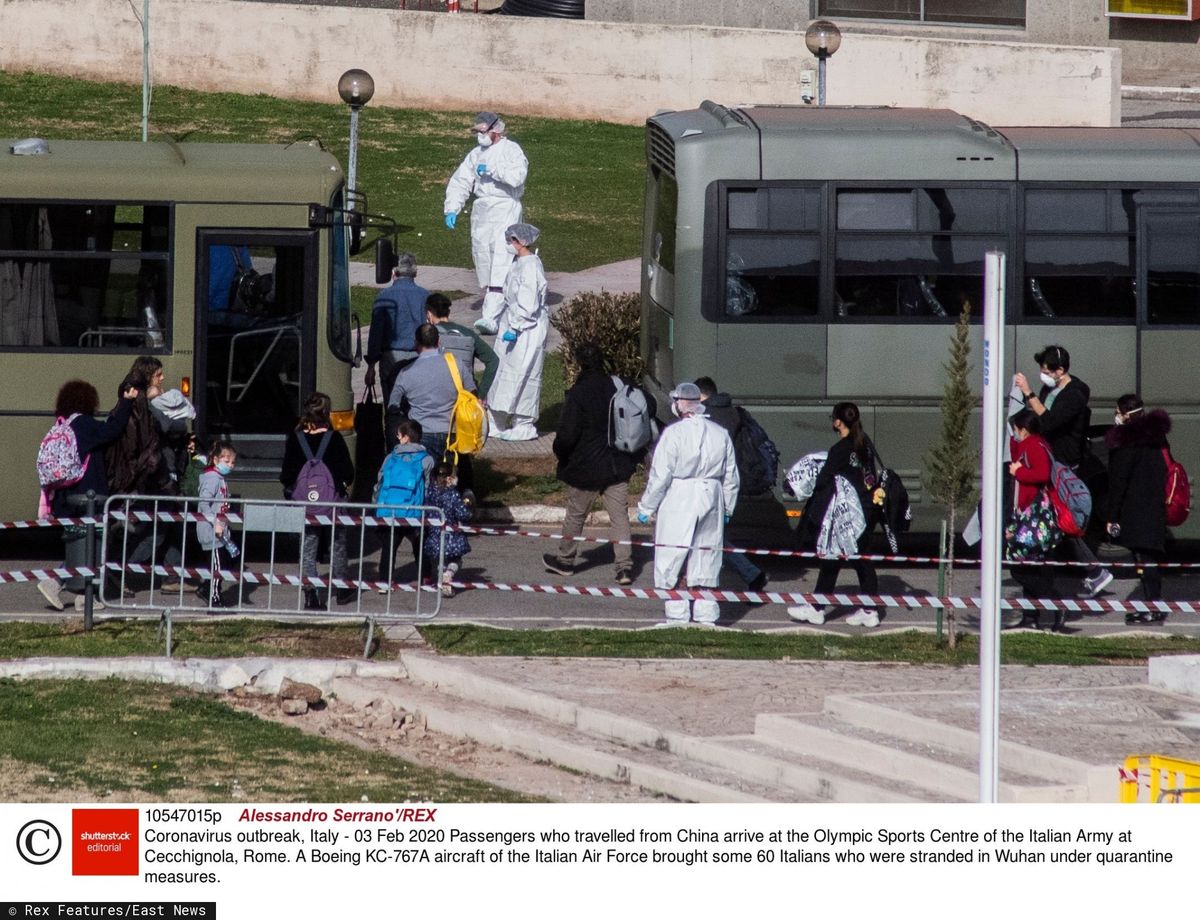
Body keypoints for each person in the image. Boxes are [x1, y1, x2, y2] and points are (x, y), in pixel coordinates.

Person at [635, 382, 739, 625]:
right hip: (711, 497)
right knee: (706, 555)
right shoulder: (719, 433)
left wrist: (646, 507)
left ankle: (678, 615)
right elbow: (731, 477)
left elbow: (660, 476)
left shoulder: (674, 434)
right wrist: (727, 507)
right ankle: (706, 615)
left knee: (674, 554)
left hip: (679, 497)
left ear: (679, 404)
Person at [1013, 344, 1112, 598]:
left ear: (1060, 371)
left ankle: (1092, 570)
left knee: (1059, 517)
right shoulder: (1051, 388)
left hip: (1063, 463)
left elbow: (1048, 421)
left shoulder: (1075, 394)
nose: (1042, 374)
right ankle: (1078, 570)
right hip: (1050, 457)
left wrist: (1028, 392)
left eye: (1046, 370)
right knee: (1053, 517)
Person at [543, 343, 642, 587]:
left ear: (580, 364)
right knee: (619, 517)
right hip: (617, 464)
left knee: (576, 514)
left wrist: (560, 452)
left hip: (585, 467)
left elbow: (567, 436)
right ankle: (624, 569)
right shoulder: (616, 386)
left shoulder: (579, 393)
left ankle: (565, 560)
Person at [37, 379, 138, 611]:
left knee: (82, 544)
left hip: (67, 495)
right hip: (88, 496)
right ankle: (68, 588)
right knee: (94, 543)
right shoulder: (83, 424)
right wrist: (126, 402)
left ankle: (77, 592)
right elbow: (112, 431)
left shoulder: (64, 424)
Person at [787, 402, 883, 629]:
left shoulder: (840, 449)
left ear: (838, 422)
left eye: (833, 418)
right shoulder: (864, 444)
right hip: (866, 510)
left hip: (846, 516)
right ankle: (832, 608)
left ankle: (833, 610)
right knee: (856, 560)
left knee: (842, 559)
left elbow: (824, 479)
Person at [443, 112, 529, 336]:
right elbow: (461, 181)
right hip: (482, 210)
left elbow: (517, 177)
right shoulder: (475, 155)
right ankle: (504, 302)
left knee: (502, 256)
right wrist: (452, 208)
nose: (479, 136)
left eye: (483, 131)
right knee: (484, 257)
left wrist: (493, 171)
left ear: (495, 130)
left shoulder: (512, 150)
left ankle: (490, 316)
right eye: (477, 131)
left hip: (505, 208)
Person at [281, 392, 356, 610]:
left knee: (308, 546)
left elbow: (286, 474)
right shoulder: (334, 439)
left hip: (306, 504)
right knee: (337, 544)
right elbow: (347, 472)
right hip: (332, 502)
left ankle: (310, 594)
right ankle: (342, 588)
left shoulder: (296, 439)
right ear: (326, 413)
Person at [694, 376, 768, 594]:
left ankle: (751, 574)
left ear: (701, 395)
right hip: (729, 481)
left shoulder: (709, 416)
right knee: (714, 537)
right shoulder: (732, 412)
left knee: (710, 538)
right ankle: (749, 575)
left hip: (711, 484)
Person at [425, 291, 497, 501]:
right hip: (465, 398)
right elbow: (493, 360)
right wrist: (480, 394)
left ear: (429, 314)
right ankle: (467, 489)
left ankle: (438, 490)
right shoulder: (468, 334)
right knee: (462, 444)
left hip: (439, 396)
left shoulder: (431, 335)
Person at [1104, 395, 1170, 624]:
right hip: (1154, 505)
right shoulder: (1157, 436)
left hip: (1135, 509)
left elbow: (1118, 482)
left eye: (1117, 412)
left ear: (1124, 414)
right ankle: (1152, 604)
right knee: (1148, 558)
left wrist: (1112, 516)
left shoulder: (1126, 442)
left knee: (1144, 560)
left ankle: (1153, 607)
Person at [1005, 409, 1065, 630]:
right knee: (1030, 565)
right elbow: (1016, 455)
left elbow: (1041, 473)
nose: (1015, 433)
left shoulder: (1034, 446)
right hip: (1031, 514)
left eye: (1016, 430)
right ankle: (1031, 617)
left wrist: (1018, 473)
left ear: (1025, 430)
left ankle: (1054, 601)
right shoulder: (1033, 444)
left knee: (1019, 566)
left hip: (1032, 514)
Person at [488, 223, 548, 442]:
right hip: (511, 325)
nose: (508, 244)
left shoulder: (531, 267)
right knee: (502, 374)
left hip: (526, 330)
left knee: (524, 374)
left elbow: (528, 302)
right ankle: (497, 420)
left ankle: (524, 423)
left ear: (521, 242)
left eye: (511, 240)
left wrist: (516, 325)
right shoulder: (518, 263)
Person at [388, 323, 477, 462]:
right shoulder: (457, 364)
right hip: (454, 434)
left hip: (421, 435)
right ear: (438, 342)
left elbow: (393, 406)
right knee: (455, 477)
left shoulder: (405, 373)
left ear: (416, 344)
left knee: (425, 477)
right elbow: (472, 394)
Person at [374, 419, 435, 590]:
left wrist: (375, 503)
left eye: (399, 435)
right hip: (414, 511)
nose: (397, 438)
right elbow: (429, 486)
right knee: (420, 545)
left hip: (389, 511)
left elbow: (380, 481)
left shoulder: (390, 458)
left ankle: (385, 581)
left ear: (406, 438)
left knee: (388, 548)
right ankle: (425, 577)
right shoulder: (427, 460)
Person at [366, 252, 430, 402]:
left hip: (391, 357)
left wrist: (371, 366)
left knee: (392, 406)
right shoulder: (425, 296)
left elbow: (376, 333)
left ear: (394, 272)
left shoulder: (384, 296)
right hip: (419, 355)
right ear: (415, 273)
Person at [196, 440, 239, 609]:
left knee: (226, 562)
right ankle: (213, 596)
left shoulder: (220, 479)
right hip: (211, 531)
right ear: (215, 460)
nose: (230, 465)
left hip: (221, 530)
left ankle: (207, 587)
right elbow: (204, 503)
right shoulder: (212, 479)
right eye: (226, 461)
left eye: (232, 462)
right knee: (217, 566)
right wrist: (214, 522)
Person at [424, 461, 472, 599]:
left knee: (440, 561)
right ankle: (448, 576)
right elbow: (463, 514)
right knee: (456, 560)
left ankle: (444, 582)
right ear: (449, 479)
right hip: (451, 536)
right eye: (455, 476)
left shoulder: (431, 492)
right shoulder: (453, 495)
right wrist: (468, 508)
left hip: (434, 535)